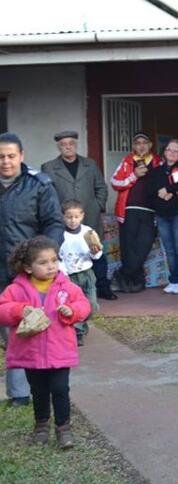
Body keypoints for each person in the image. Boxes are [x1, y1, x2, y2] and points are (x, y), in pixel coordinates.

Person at [0, 235, 90, 447]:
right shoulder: (16, 289)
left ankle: (63, 429)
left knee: (60, 389)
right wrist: (19, 310)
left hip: (60, 351)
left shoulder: (66, 287)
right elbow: (2, 310)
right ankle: (41, 426)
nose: (51, 266)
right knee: (38, 391)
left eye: (54, 260)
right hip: (31, 353)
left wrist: (72, 311)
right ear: (28, 268)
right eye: (43, 262)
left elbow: (83, 305)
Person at [0, 132, 66, 408]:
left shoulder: (39, 185)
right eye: (1, 157)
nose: (5, 162)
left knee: (15, 328)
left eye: (11, 156)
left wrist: (41, 259)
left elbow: (53, 223)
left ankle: (19, 392)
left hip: (21, 269)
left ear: (22, 156)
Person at [41, 131, 114, 301]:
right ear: (59, 147)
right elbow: (46, 194)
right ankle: (69, 291)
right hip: (65, 220)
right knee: (65, 254)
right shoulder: (49, 167)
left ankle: (102, 287)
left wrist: (97, 205)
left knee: (97, 252)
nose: (68, 147)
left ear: (76, 145)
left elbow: (101, 187)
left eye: (71, 143)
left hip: (89, 215)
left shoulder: (90, 164)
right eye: (63, 144)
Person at [110, 131, 162, 293]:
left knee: (143, 245)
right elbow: (115, 182)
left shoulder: (158, 162)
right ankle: (134, 283)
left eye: (144, 142)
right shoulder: (127, 161)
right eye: (138, 143)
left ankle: (121, 275)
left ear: (150, 145)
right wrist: (133, 175)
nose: (141, 146)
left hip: (150, 211)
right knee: (128, 247)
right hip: (129, 210)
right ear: (133, 146)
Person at [147, 138, 178, 295]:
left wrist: (168, 189)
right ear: (164, 151)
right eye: (169, 149)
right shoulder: (156, 171)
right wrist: (161, 193)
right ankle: (173, 279)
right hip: (162, 215)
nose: (172, 153)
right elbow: (149, 189)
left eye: (176, 150)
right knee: (169, 249)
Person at [58, 200, 103, 347]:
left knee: (92, 306)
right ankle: (77, 333)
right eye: (69, 217)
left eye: (76, 216)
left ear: (82, 216)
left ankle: (81, 324)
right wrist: (63, 275)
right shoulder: (60, 234)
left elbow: (96, 254)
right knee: (73, 305)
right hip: (70, 276)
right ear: (63, 216)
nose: (72, 220)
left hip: (87, 273)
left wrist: (94, 251)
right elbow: (59, 256)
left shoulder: (87, 231)